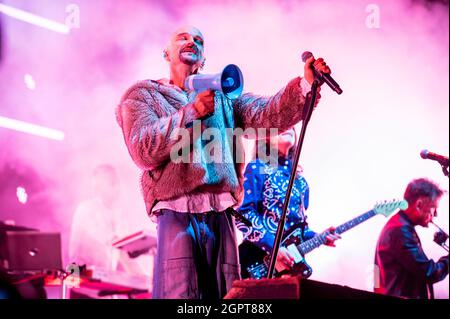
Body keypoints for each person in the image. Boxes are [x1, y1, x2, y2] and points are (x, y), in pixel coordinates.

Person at [115, 25, 331, 299]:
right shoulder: (144, 96)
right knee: (181, 296)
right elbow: (143, 149)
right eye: (182, 37)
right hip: (177, 213)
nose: (191, 41)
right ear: (166, 53)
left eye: (198, 40)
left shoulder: (223, 96)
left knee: (228, 297)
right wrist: (191, 112)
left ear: (203, 59)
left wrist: (304, 85)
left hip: (222, 215)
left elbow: (267, 114)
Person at [236, 128, 340, 278]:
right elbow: (243, 215)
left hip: (288, 269)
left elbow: (299, 229)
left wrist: (319, 237)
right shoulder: (257, 168)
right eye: (282, 125)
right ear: (265, 138)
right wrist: (274, 247)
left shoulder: (300, 182)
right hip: (257, 262)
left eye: (291, 125)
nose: (289, 127)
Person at [374, 178, 449, 299]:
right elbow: (428, 272)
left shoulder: (399, 225)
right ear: (419, 205)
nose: (435, 215)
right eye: (434, 208)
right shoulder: (401, 230)